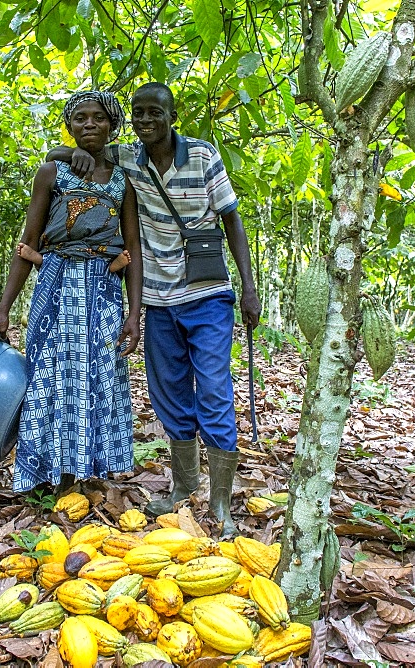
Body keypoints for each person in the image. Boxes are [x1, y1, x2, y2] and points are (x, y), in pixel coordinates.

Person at [47, 82, 261, 537]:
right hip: (158, 300)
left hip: (207, 295)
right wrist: (71, 155)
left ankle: (220, 503)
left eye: (155, 113)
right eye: (138, 113)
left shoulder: (202, 155)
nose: (146, 121)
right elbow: (60, 152)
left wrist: (249, 286)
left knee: (216, 391)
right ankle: (185, 489)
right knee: (170, 397)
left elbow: (232, 220)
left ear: (171, 116)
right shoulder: (128, 159)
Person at [0, 91, 143, 495]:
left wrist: (133, 314)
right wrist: (4, 308)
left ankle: (86, 471)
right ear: (69, 125)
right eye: (79, 119)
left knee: (98, 377)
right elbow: (29, 238)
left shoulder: (122, 179)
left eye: (98, 118)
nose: (89, 125)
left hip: (104, 289)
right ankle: (47, 473)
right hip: (55, 284)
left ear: (113, 125)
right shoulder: (51, 173)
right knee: (50, 375)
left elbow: (133, 246)